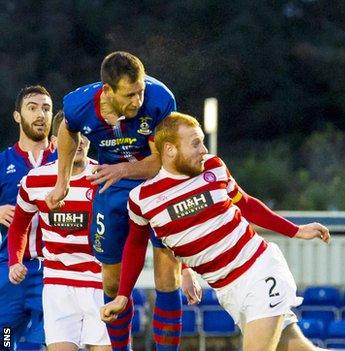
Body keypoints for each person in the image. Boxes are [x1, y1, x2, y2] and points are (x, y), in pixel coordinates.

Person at [101, 112, 331, 351]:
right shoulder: (142, 199)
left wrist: (296, 231)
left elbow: (247, 204)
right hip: (228, 290)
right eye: (195, 143)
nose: (203, 149)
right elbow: (137, 246)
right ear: (169, 150)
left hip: (260, 271)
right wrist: (122, 295)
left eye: (202, 141)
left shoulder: (213, 167)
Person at [44, 51, 200, 351]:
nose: (137, 101)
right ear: (108, 91)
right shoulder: (79, 105)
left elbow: (164, 161)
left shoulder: (160, 100)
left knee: (167, 277)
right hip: (112, 189)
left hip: (156, 185)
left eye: (140, 91)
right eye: (129, 95)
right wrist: (61, 181)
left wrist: (124, 168)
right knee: (112, 285)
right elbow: (67, 130)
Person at [8, 116, 112, 351]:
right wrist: (15, 260)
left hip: (99, 281)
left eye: (83, 135)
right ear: (56, 142)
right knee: (9, 332)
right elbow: (18, 224)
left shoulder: (104, 177)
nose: (79, 141)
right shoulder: (35, 181)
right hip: (58, 285)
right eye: (71, 136)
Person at [0, 85, 56, 351]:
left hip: (55, 267)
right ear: (17, 116)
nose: (40, 114)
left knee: (44, 339)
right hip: (9, 268)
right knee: (6, 336)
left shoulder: (65, 159)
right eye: (32, 108)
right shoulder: (3, 163)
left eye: (46, 108)